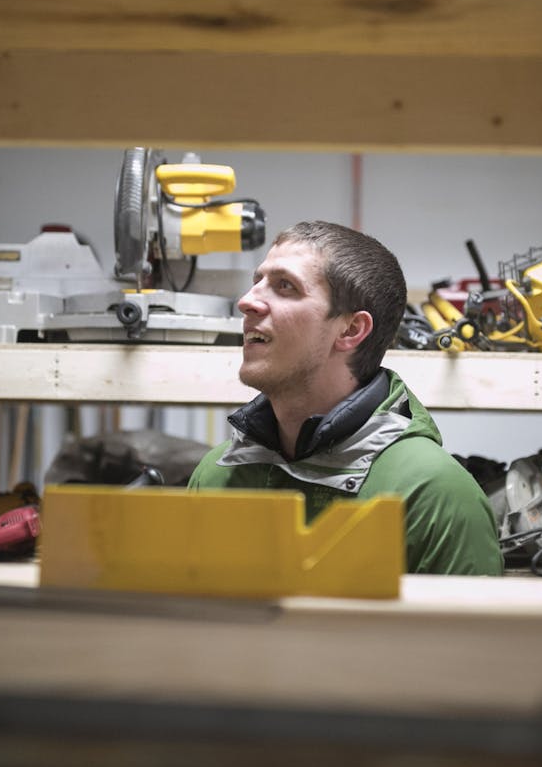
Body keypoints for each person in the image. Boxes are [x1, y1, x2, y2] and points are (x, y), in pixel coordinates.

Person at [188, 220, 502, 575]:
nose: (247, 302)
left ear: (351, 329)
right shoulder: (216, 476)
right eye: (257, 282)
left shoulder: (434, 495)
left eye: (284, 286)